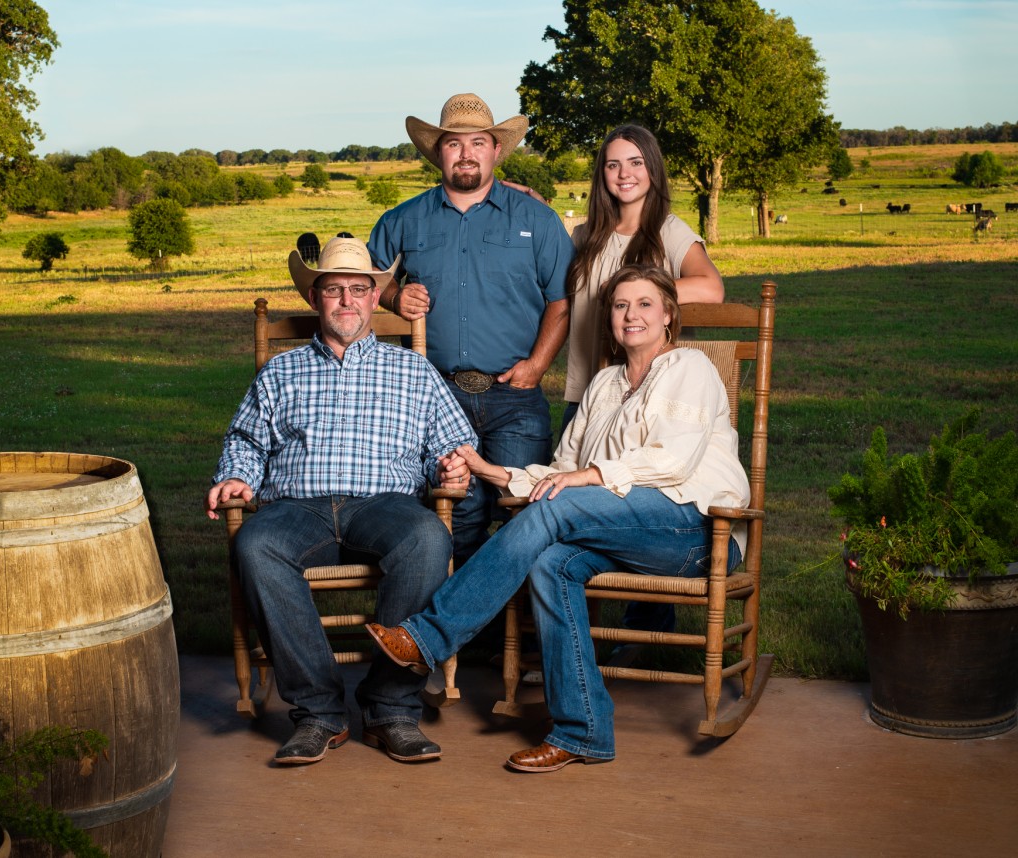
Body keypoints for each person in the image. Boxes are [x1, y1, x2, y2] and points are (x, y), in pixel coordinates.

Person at [364, 265, 750, 773]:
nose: (631, 315)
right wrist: (489, 470)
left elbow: (672, 462)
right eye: (620, 305)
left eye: (645, 304)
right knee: (551, 563)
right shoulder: (605, 384)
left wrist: (586, 477)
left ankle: (429, 637)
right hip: (621, 530)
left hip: (695, 531)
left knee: (556, 508)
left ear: (668, 316)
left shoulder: (690, 368)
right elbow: (561, 474)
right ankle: (583, 729)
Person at [206, 236, 476, 766]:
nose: (347, 300)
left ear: (376, 298)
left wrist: (451, 466)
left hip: (384, 507)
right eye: (334, 290)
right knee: (256, 545)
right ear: (315, 299)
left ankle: (391, 709)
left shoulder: (415, 371)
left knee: (428, 536)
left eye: (358, 289)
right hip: (297, 509)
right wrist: (237, 476)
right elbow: (246, 441)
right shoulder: (280, 372)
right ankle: (319, 712)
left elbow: (453, 444)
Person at [367, 93, 575, 565]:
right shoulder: (402, 220)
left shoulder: (537, 220)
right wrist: (394, 296)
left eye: (478, 142)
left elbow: (562, 300)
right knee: (457, 513)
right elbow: (364, 283)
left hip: (514, 396)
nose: (466, 154)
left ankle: (515, 611)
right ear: (437, 153)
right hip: (437, 396)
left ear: (497, 150)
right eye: (454, 144)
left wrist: (537, 365)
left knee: (525, 511)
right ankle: (460, 610)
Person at [564, 124, 726, 640]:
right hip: (590, 393)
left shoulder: (668, 232)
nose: (625, 174)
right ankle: (576, 637)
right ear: (601, 174)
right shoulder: (585, 236)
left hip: (648, 391)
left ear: (653, 170)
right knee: (575, 512)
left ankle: (645, 634)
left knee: (637, 501)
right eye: (613, 164)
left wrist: (638, 292)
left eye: (636, 162)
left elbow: (711, 288)